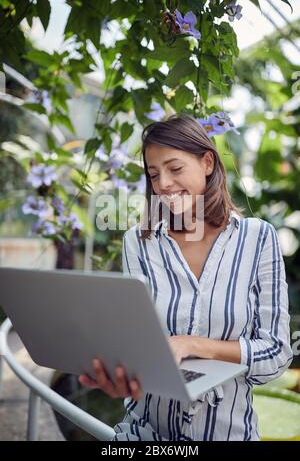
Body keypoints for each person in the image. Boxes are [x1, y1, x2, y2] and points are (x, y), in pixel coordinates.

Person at [79, 114, 293, 441]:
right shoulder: (138, 243)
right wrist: (120, 372)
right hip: (143, 436)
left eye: (175, 168)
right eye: (153, 174)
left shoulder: (258, 239)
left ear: (207, 162)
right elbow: (136, 341)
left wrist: (192, 345)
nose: (163, 183)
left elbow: (276, 354)